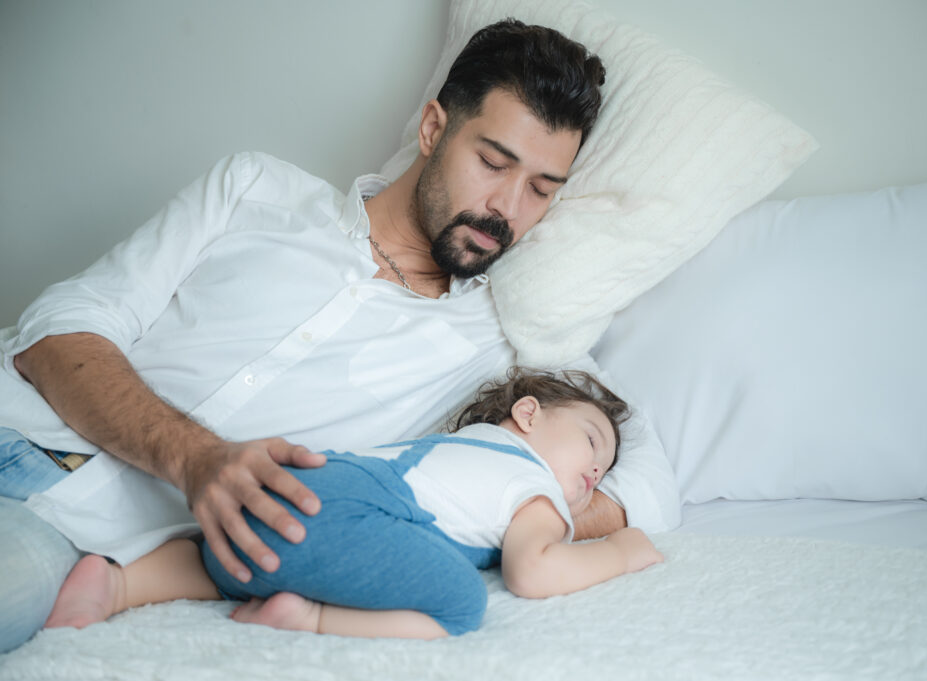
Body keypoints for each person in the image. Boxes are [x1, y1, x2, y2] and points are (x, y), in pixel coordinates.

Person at [0, 19, 680, 653]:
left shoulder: (501, 343)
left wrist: (530, 510)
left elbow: (650, 479)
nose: (506, 208)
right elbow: (57, 329)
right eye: (493, 162)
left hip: (73, 531)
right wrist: (193, 457)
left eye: (541, 188)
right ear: (433, 128)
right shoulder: (257, 190)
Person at [43, 368, 664, 639]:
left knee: (238, 548)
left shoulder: (462, 443)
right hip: (361, 510)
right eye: (592, 442)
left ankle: (116, 584)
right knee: (461, 606)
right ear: (527, 415)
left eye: (604, 472)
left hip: (306, 477)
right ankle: (308, 618)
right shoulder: (534, 488)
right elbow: (534, 571)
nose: (594, 472)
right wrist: (619, 549)